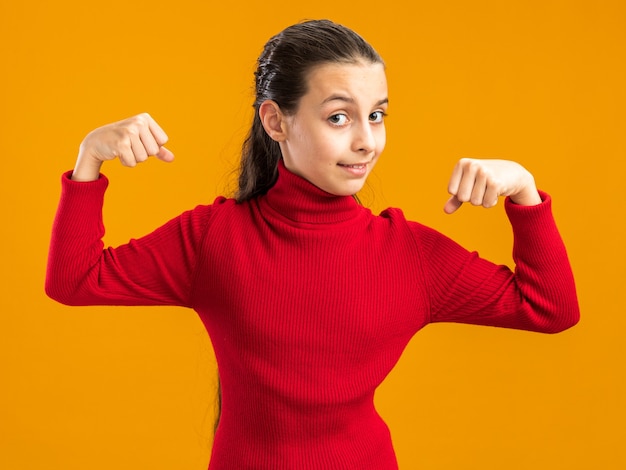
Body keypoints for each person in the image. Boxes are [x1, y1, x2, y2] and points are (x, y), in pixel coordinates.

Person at [46, 19, 579, 470]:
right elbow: (74, 280)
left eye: (377, 115)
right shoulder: (215, 239)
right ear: (275, 120)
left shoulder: (407, 254)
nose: (366, 140)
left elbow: (550, 309)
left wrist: (525, 195)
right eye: (339, 117)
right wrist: (89, 156)